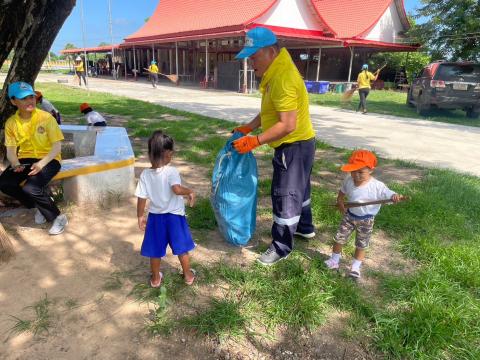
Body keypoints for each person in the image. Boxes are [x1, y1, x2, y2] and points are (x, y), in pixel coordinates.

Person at [232, 27, 316, 265]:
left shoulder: (282, 78)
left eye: (254, 56)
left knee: (285, 195)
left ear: (270, 51)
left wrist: (255, 141)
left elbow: (287, 124)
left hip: (293, 145)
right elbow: (271, 109)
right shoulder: (275, 70)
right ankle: (305, 227)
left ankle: (281, 246)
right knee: (301, 189)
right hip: (302, 144)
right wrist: (249, 126)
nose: (251, 62)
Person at [0, 82, 68, 235]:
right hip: (25, 159)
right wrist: (15, 163)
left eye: (31, 97)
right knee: (5, 183)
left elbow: (57, 147)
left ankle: (58, 217)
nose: (30, 101)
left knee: (31, 187)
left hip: (50, 159)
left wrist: (41, 164)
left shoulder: (46, 118)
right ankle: (38, 206)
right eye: (24, 98)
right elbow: (11, 150)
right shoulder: (11, 123)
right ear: (13, 101)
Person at [324, 150, 403, 279]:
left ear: (371, 170)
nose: (356, 175)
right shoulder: (349, 180)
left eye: (360, 172)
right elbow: (342, 192)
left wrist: (394, 196)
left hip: (366, 220)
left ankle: (355, 267)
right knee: (339, 238)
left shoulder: (377, 186)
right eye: (353, 171)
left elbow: (388, 193)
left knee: (361, 244)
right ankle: (334, 260)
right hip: (349, 216)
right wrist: (340, 202)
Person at [135, 130, 196, 287]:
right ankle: (188, 275)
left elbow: (141, 197)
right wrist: (189, 191)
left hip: (156, 218)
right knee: (182, 249)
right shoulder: (171, 171)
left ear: (151, 153)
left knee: (155, 251)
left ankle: (156, 279)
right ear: (167, 153)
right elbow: (176, 189)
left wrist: (140, 217)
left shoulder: (145, 174)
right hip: (175, 218)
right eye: (172, 153)